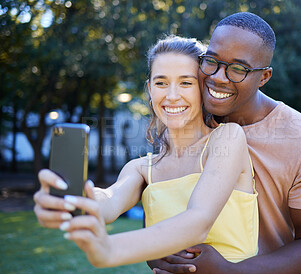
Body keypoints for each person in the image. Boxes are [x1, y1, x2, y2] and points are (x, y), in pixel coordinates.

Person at [33, 35, 259, 267]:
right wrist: (70, 200)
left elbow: (198, 221)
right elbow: (109, 201)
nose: (172, 96)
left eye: (186, 83)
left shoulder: (227, 138)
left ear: (203, 88)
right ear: (150, 89)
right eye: (161, 83)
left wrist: (110, 249)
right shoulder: (141, 169)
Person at [148, 12, 301, 274]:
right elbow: (159, 212)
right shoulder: (185, 121)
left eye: (238, 69)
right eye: (212, 61)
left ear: (264, 77)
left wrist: (227, 271)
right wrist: (160, 254)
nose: (218, 77)